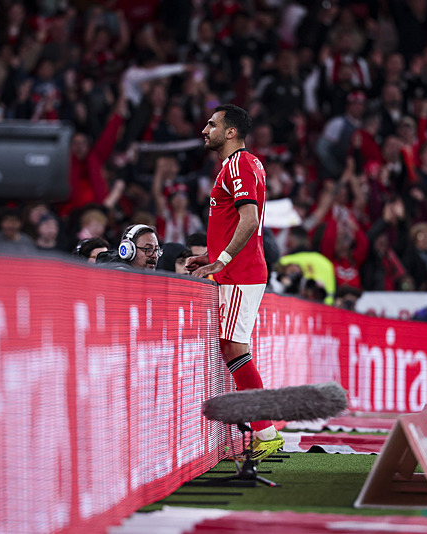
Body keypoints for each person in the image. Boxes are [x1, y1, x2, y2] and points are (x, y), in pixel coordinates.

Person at [186, 103, 284, 461]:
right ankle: (263, 430)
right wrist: (210, 255)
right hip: (238, 271)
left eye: (211, 125)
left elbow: (249, 218)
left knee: (234, 349)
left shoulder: (239, 164)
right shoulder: (242, 164)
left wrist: (220, 260)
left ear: (230, 132)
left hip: (240, 272)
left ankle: (266, 432)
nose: (204, 130)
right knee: (234, 349)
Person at [97, 224, 161, 270]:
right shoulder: (118, 276)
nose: (155, 255)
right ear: (129, 250)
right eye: (148, 249)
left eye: (156, 249)